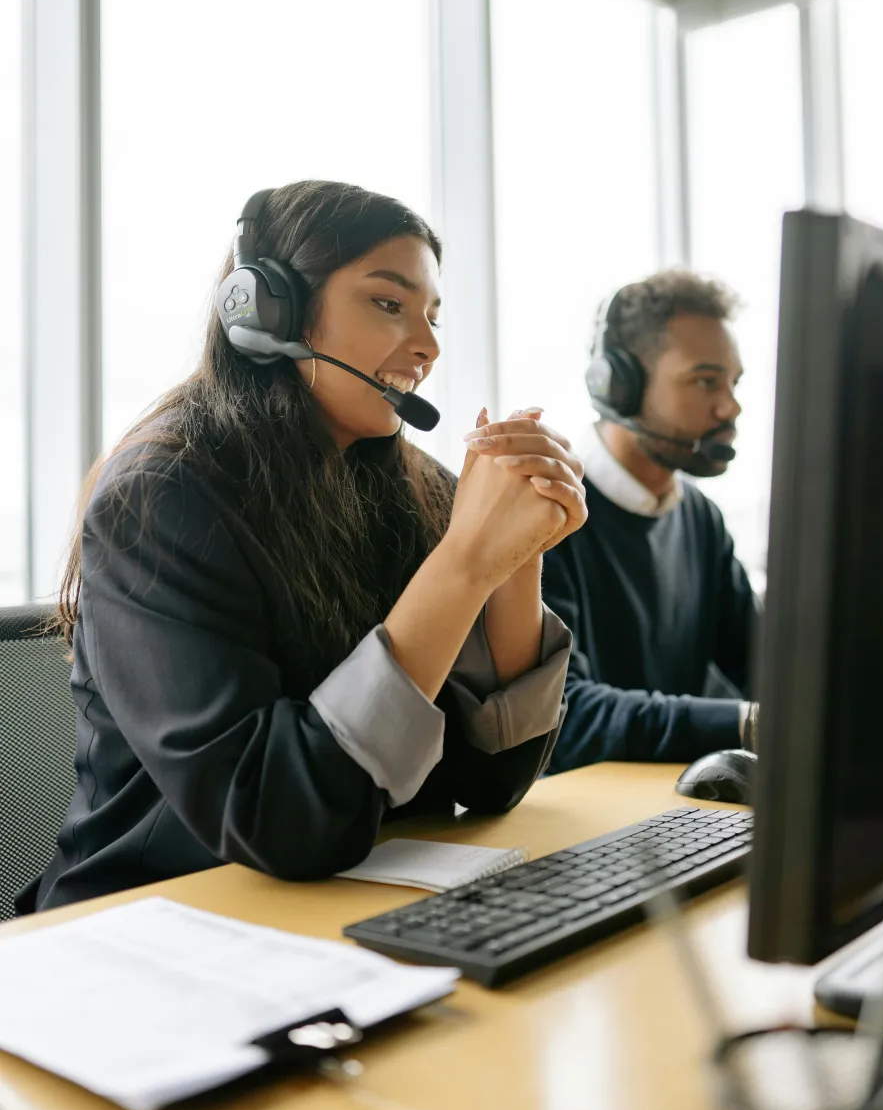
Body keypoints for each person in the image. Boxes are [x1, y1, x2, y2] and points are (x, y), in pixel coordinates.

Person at [23, 181, 587, 912]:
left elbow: (493, 783)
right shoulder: (164, 495)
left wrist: (516, 555)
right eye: (389, 303)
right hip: (156, 918)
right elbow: (279, 820)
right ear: (264, 311)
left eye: (433, 316)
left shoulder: (411, 489)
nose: (427, 344)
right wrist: (464, 563)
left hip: (344, 907)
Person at [542, 269, 759, 771]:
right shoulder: (549, 512)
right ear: (619, 387)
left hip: (671, 812)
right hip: (583, 816)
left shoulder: (700, 517)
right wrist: (745, 723)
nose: (731, 405)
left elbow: (764, 665)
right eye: (706, 380)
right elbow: (564, 715)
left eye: (734, 382)